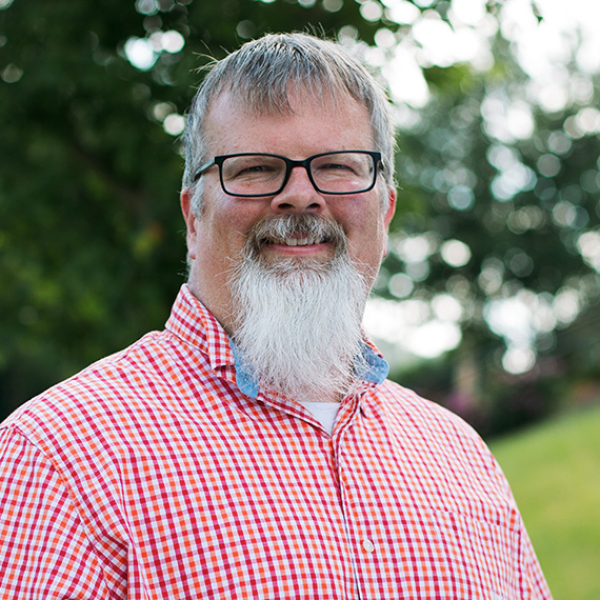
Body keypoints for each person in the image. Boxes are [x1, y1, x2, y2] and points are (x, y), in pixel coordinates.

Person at [0, 33, 552, 599]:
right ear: (193, 217)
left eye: (337, 166)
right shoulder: (59, 458)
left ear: (385, 211)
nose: (300, 195)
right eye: (257, 168)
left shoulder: (460, 455)